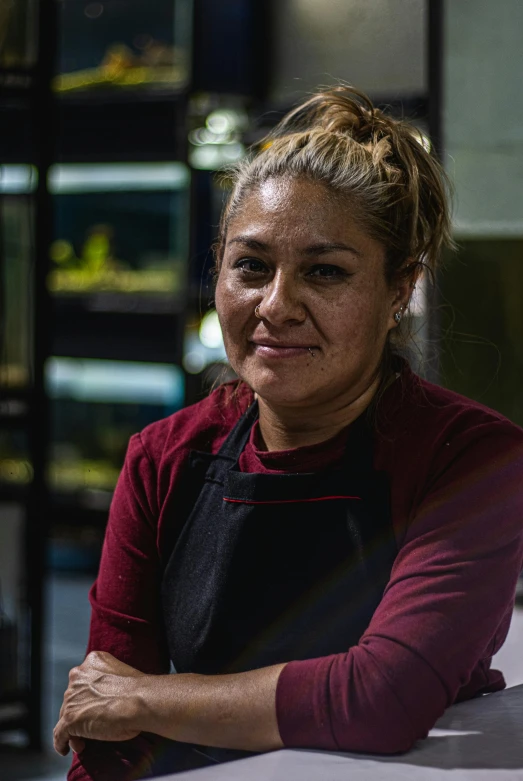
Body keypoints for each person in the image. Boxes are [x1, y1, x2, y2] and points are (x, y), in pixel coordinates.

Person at [54, 86, 523, 780]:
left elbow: (384, 697)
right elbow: (103, 728)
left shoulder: (470, 458)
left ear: (399, 289)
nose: (276, 305)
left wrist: (149, 698)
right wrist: (125, 713)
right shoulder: (162, 457)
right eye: (250, 265)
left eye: (324, 271)